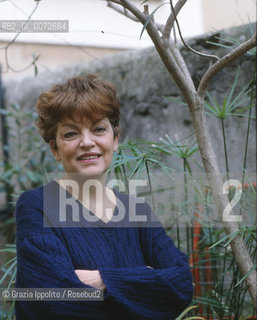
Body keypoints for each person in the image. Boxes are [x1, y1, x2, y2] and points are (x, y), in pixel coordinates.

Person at [15, 74, 193, 320]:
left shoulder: (136, 211)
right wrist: (145, 278)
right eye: (70, 134)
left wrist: (104, 280)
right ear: (54, 149)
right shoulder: (37, 206)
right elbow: (54, 301)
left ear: (115, 138)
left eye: (98, 129)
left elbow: (182, 284)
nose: (87, 142)